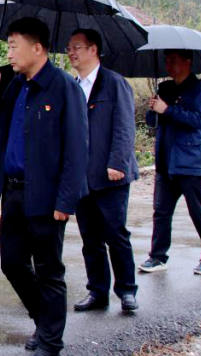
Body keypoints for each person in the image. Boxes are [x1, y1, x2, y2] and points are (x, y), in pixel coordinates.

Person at [0, 17, 88, 356]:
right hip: (13, 191)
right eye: (9, 46)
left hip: (46, 195)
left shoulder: (62, 87)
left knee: (48, 270)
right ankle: (44, 322)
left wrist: (66, 199)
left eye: (15, 46)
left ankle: (51, 342)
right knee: (11, 263)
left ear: (37, 48)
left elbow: (77, 147)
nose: (10, 53)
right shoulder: (17, 84)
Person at [66, 29, 139, 313]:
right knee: (90, 238)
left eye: (77, 47)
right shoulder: (73, 86)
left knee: (116, 233)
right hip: (82, 176)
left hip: (111, 175)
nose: (71, 52)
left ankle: (127, 290)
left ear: (93, 49)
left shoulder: (114, 83)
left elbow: (124, 126)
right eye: (69, 47)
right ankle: (97, 291)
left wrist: (117, 163)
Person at [140, 49, 201, 275]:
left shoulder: (200, 90)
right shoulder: (165, 88)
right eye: (167, 61)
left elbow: (198, 120)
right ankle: (157, 256)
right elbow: (153, 122)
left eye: (173, 61)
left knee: (198, 211)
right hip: (166, 160)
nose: (169, 65)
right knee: (161, 211)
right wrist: (153, 110)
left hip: (190, 161)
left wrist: (168, 109)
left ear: (187, 63)